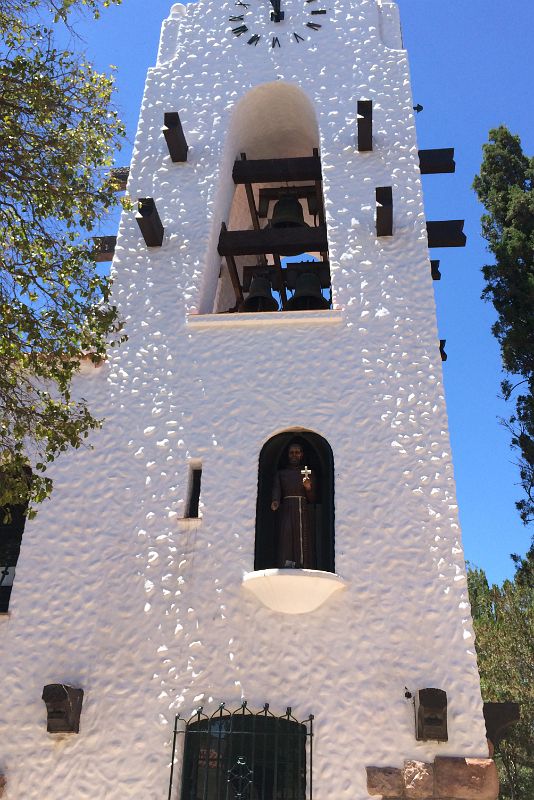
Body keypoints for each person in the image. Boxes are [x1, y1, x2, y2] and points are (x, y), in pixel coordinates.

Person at [271, 442, 316, 569]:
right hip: (287, 509)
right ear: (288, 455)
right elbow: (276, 490)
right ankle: (287, 565)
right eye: (291, 452)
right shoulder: (282, 474)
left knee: (302, 537)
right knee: (286, 536)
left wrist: (308, 487)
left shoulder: (308, 473)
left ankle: (303, 565)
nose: (294, 455)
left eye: (297, 452)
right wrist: (275, 501)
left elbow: (312, 499)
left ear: (302, 455)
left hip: (302, 509)